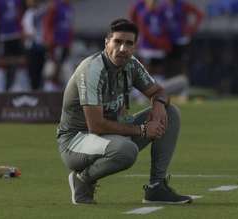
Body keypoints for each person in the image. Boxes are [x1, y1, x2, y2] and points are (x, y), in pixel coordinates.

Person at [56, 18, 192, 205]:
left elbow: (159, 91)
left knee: (171, 112)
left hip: (110, 134)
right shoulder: (92, 70)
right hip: (76, 141)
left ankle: (156, 188)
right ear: (107, 43)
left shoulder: (131, 64)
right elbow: (95, 125)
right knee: (126, 151)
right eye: (117, 42)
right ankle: (82, 180)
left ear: (135, 47)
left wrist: (158, 106)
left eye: (129, 43)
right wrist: (144, 130)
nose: (122, 48)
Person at [0, 0, 31, 92]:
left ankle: (22, 89)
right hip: (3, 36)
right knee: (1, 63)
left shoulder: (17, 1)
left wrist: (22, 31)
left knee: (21, 62)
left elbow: (19, 16)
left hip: (16, 34)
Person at [42, 0, 74, 91]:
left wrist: (70, 43)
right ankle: (49, 87)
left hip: (65, 42)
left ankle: (64, 89)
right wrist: (48, 38)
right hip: (56, 41)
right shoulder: (55, 6)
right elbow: (47, 23)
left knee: (65, 65)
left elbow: (69, 26)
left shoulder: (69, 8)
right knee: (53, 64)